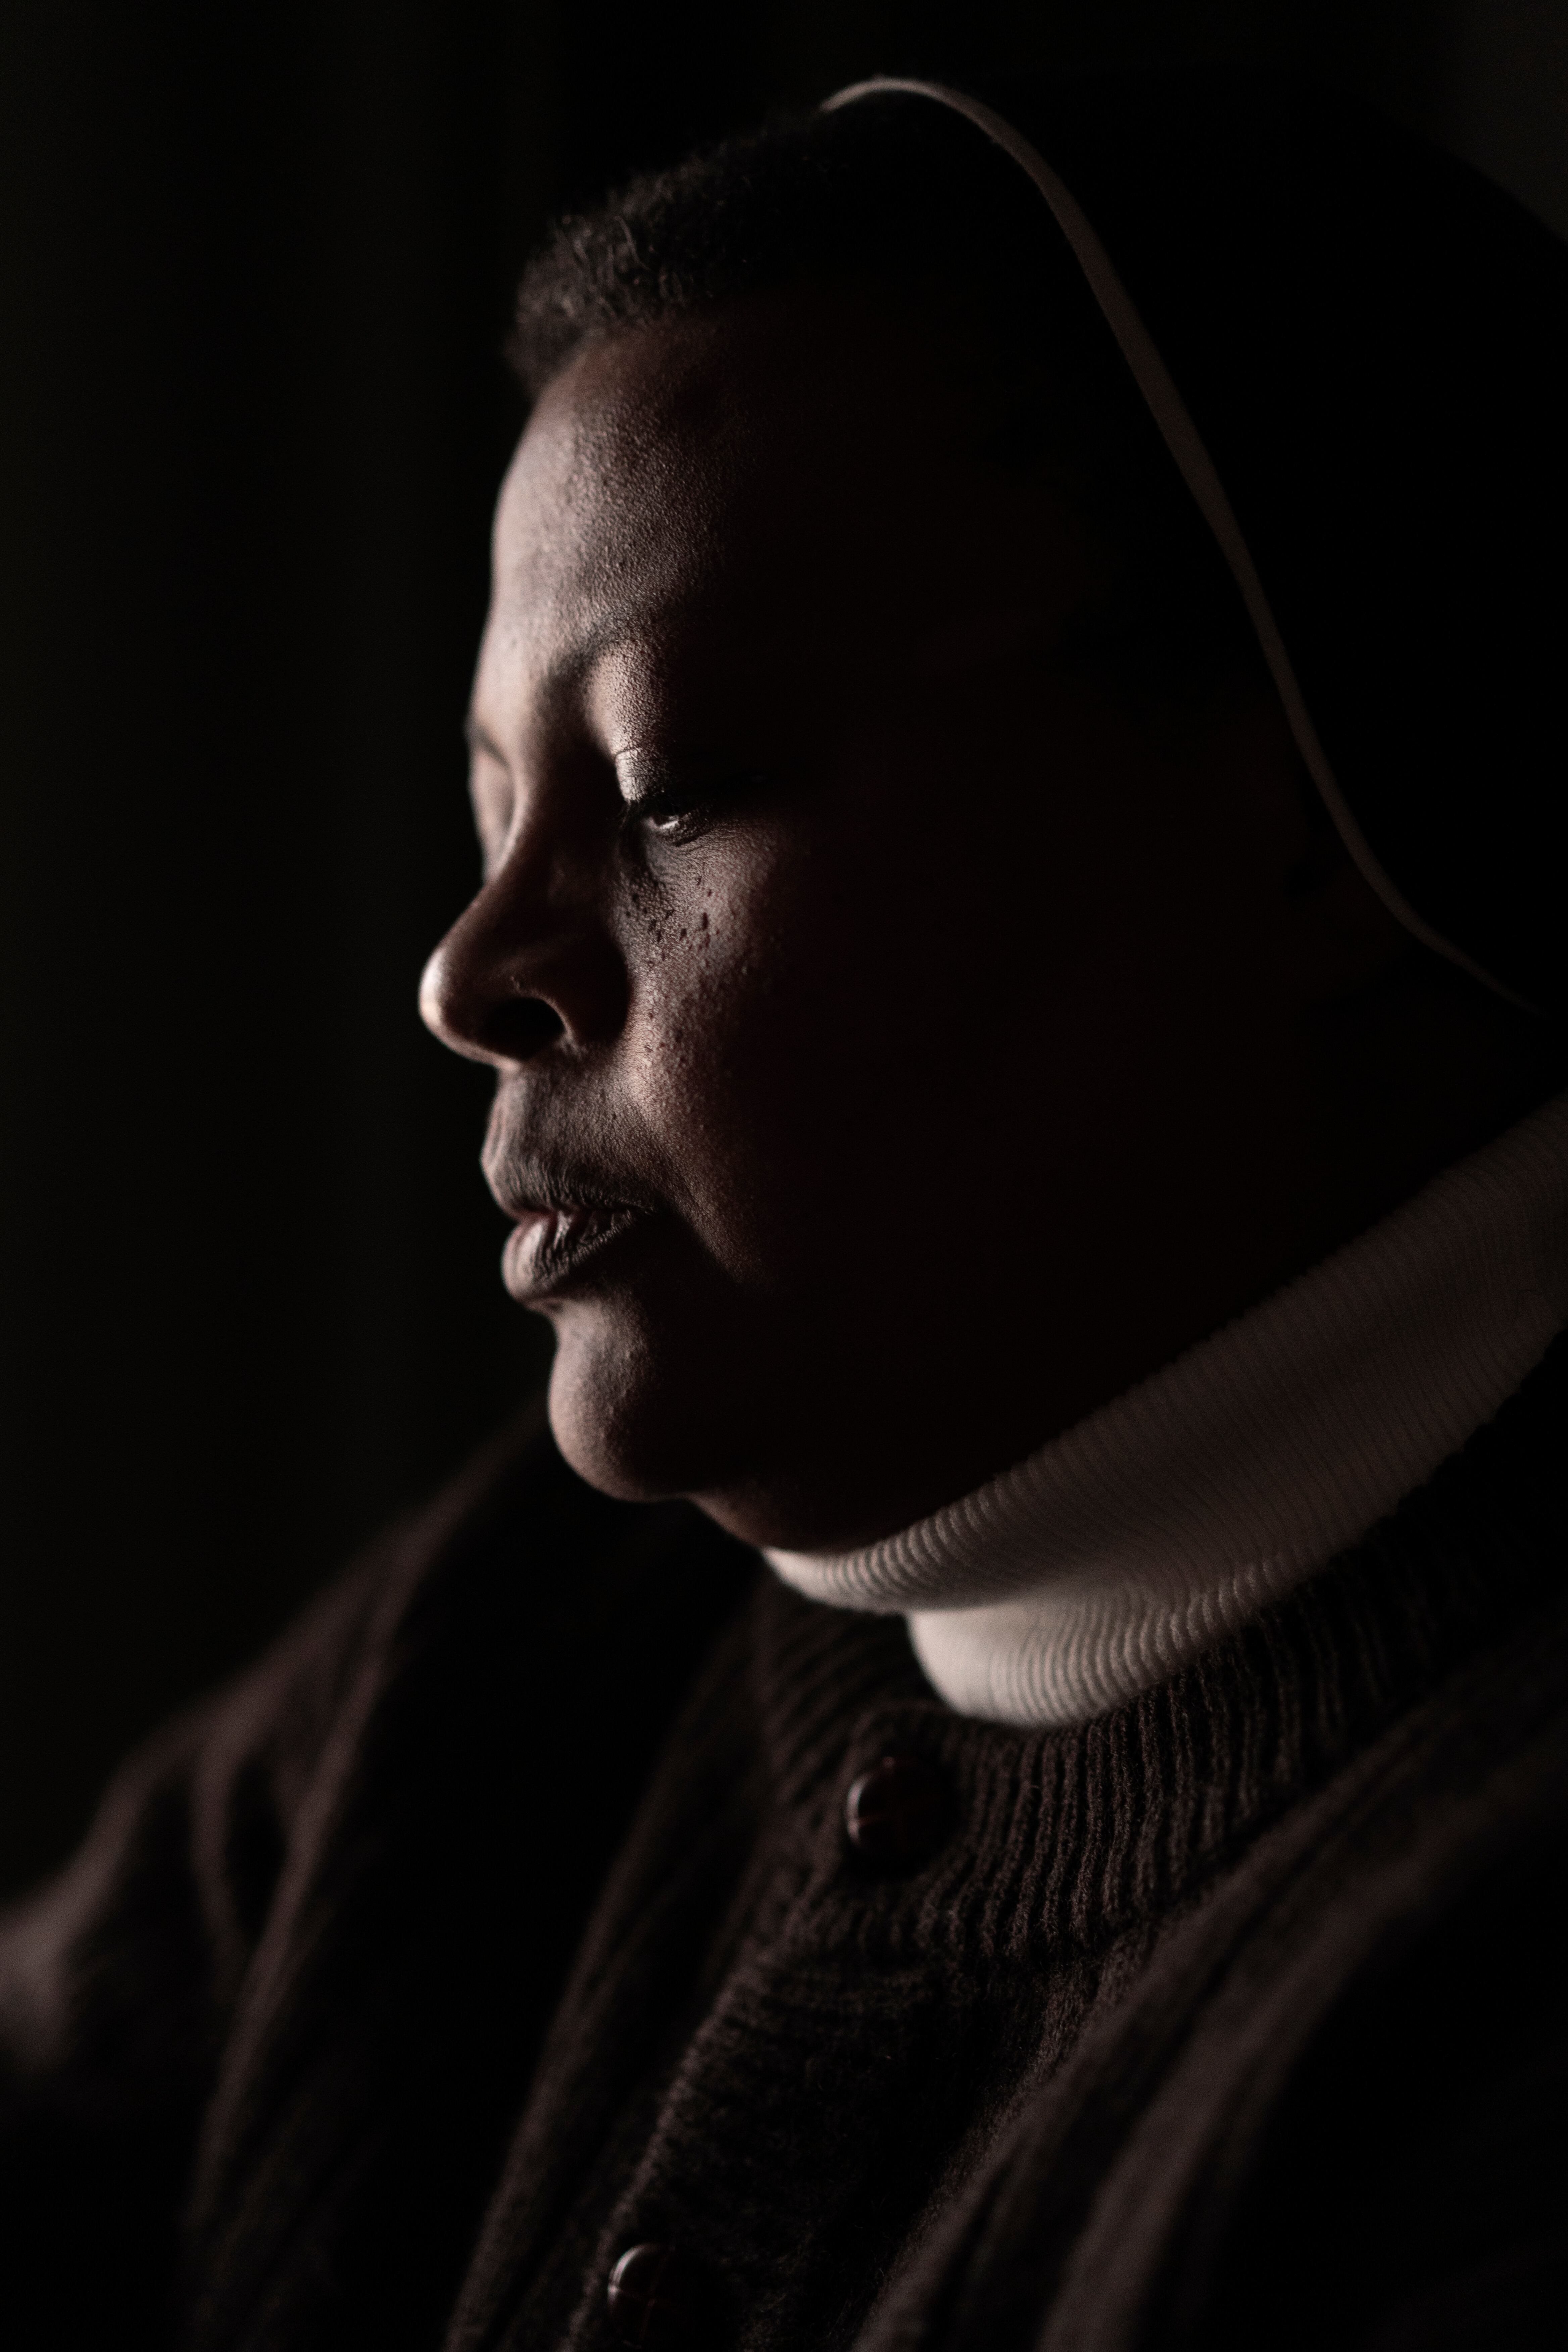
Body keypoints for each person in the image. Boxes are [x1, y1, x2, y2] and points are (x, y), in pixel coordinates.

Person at [4, 71, 1567, 2352]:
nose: (467, 973)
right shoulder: (513, 1650)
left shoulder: (1493, 1971)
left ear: (1302, 827)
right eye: (490, 809)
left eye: (665, 786)